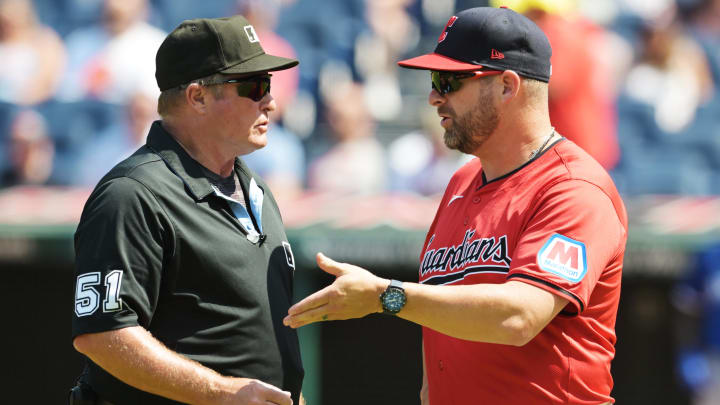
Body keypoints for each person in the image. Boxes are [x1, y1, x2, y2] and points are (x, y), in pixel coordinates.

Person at [284, 6, 627, 405]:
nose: (433, 97)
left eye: (448, 81)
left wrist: (385, 296)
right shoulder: (461, 182)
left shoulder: (573, 188)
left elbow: (518, 317)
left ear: (507, 86)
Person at [71, 15, 304, 405]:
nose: (271, 100)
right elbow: (103, 334)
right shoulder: (133, 194)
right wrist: (221, 392)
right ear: (197, 97)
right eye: (254, 85)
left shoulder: (254, 186)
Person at [57, 0, 165, 104]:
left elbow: (152, 101)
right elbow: (64, 94)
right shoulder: (79, 42)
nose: (114, 5)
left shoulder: (157, 45)